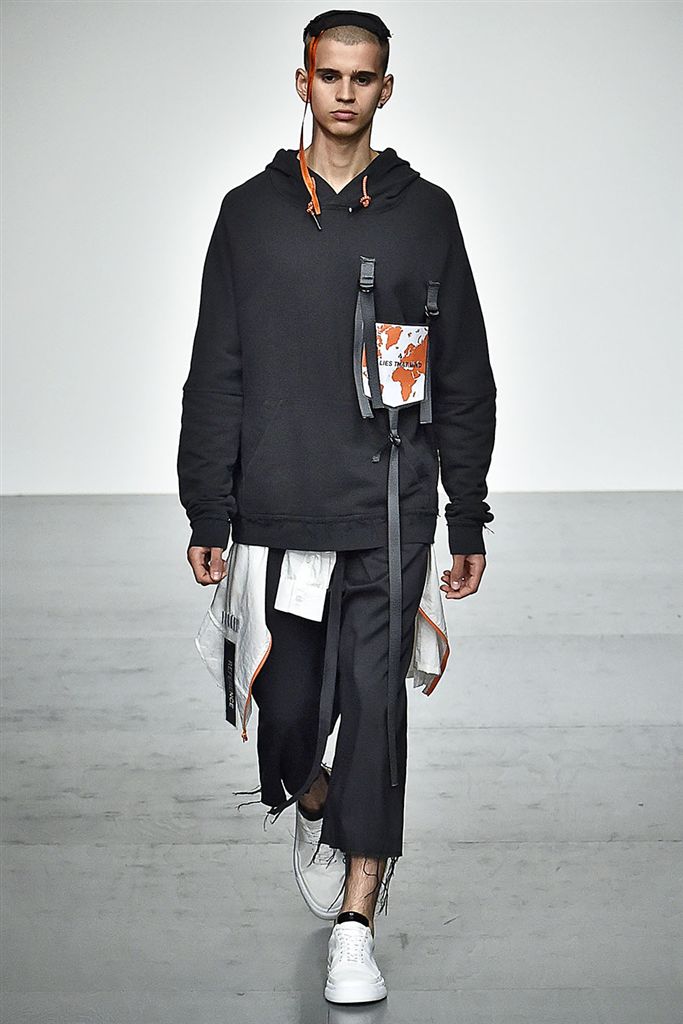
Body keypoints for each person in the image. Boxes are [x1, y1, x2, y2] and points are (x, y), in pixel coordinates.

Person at [177, 8, 497, 1005]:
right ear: (303, 81)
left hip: (388, 506)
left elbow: (460, 372)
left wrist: (466, 511)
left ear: (385, 88)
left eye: (364, 77)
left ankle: (355, 922)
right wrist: (207, 506)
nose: (346, 91)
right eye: (330, 74)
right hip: (280, 511)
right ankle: (313, 800)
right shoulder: (248, 214)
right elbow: (216, 367)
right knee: (282, 719)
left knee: (376, 713)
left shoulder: (424, 214)